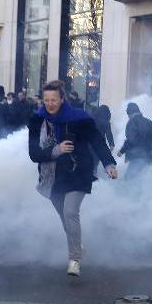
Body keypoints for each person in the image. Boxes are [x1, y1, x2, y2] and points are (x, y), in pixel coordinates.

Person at [27, 80, 118, 277]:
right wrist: (56, 150)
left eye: (54, 100)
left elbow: (97, 141)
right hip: (53, 176)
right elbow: (34, 154)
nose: (50, 104)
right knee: (64, 217)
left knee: (70, 212)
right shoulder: (37, 120)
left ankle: (75, 259)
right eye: (46, 100)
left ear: (62, 99)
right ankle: (79, 247)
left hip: (79, 171)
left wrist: (109, 164)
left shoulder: (80, 118)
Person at [118, 102, 152, 180]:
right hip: (148, 157)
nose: (128, 117)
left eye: (128, 115)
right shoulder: (150, 123)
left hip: (136, 156)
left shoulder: (132, 122)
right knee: (139, 180)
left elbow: (131, 140)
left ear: (130, 113)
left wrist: (122, 151)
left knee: (128, 180)